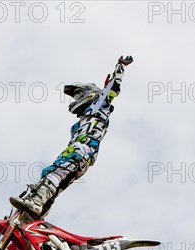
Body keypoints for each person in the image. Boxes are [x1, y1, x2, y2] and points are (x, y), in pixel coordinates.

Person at [9, 55, 134, 218]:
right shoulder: (92, 113)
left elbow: (112, 89)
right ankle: (33, 218)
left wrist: (120, 67)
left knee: (53, 173)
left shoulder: (99, 105)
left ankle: (36, 202)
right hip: (86, 157)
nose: (75, 100)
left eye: (77, 95)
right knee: (58, 184)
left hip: (82, 149)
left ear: (89, 94)